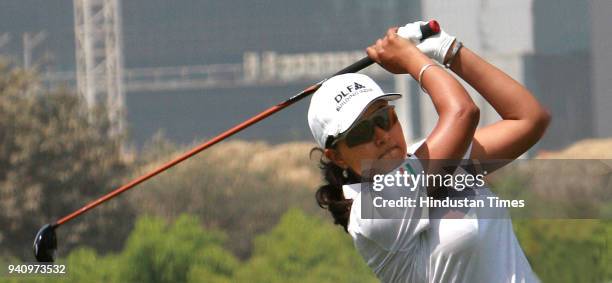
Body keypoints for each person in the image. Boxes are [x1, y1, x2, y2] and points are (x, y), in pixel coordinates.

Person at [307, 21, 550, 283]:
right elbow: (462, 113)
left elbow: (529, 120)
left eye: (383, 118)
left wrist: (449, 50)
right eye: (359, 133)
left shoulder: (427, 156)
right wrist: (412, 58)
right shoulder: (372, 211)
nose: (380, 136)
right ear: (337, 157)